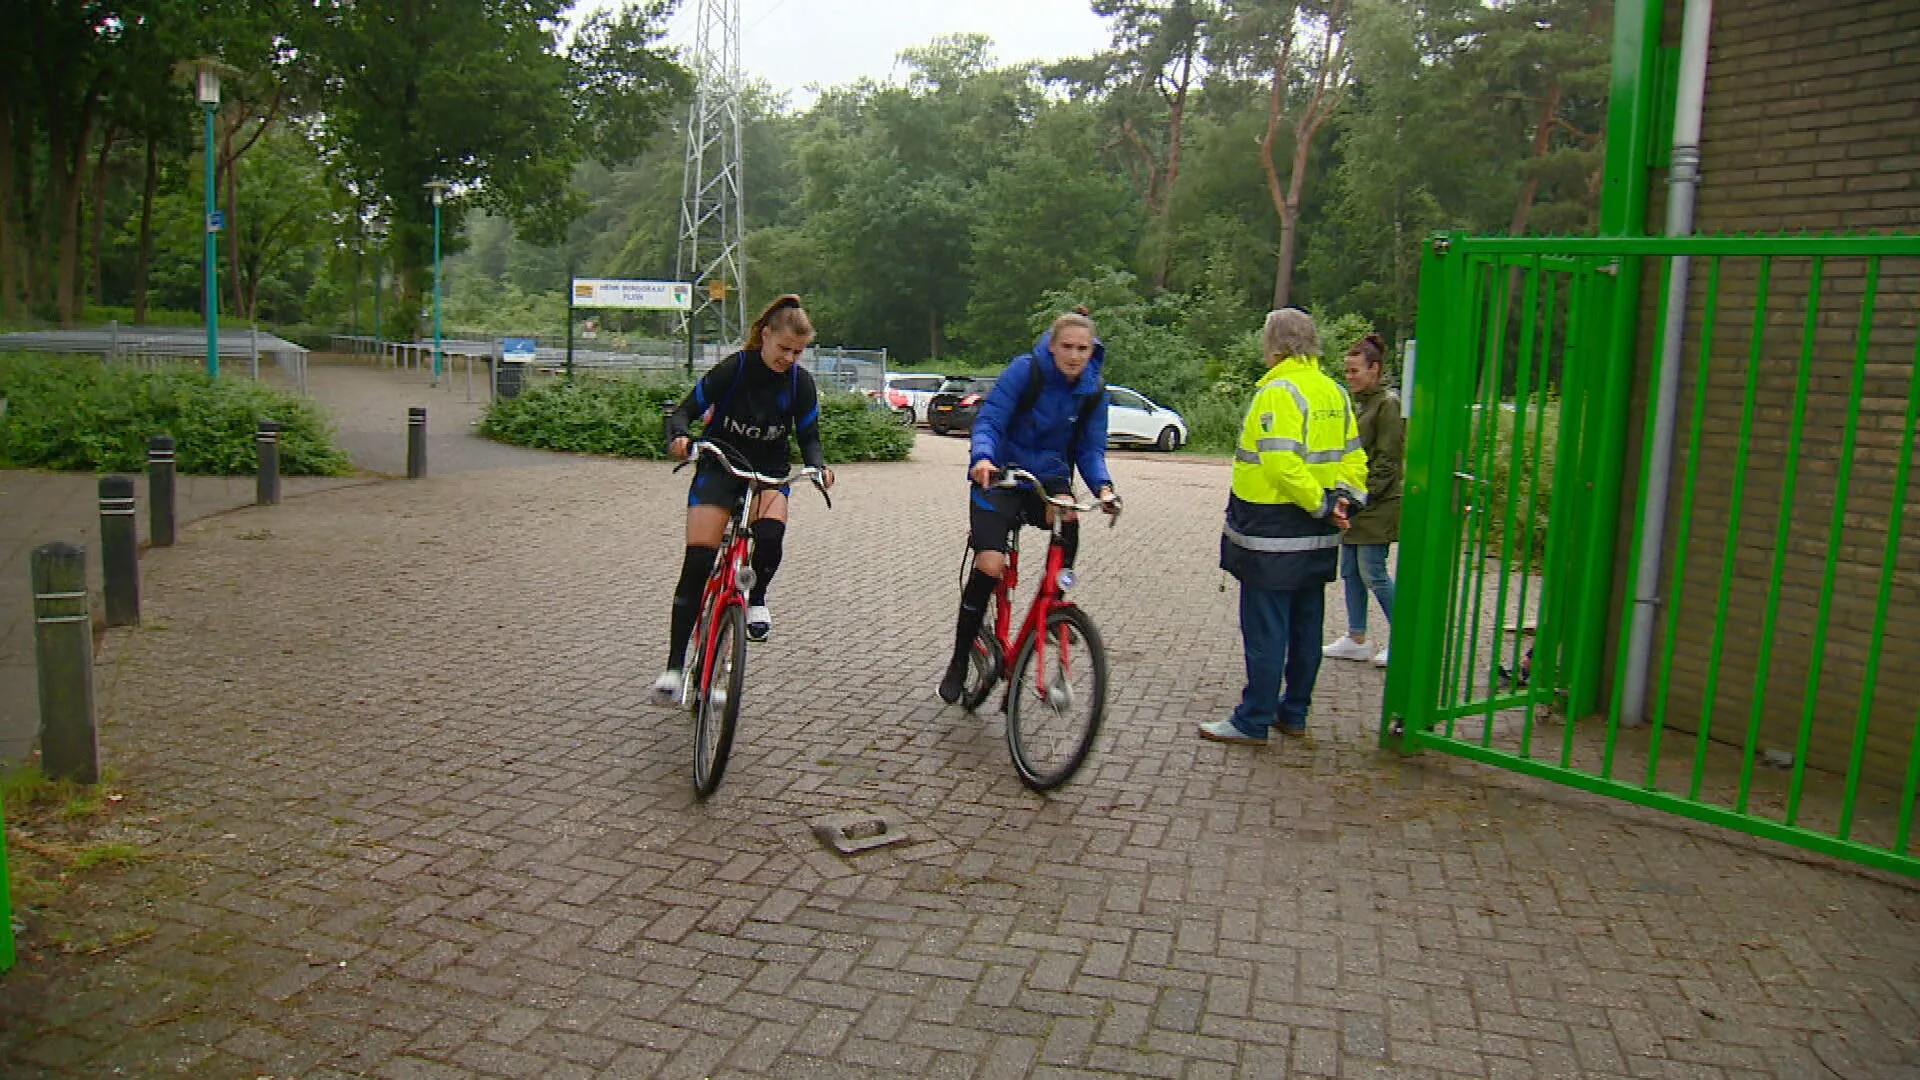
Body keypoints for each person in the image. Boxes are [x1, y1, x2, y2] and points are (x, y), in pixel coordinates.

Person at [653, 295, 835, 700]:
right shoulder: (734, 369)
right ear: (765, 336)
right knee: (699, 561)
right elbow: (683, 412)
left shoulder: (799, 384)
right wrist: (681, 438)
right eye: (783, 348)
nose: (788, 358)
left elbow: (809, 434)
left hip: (768, 471)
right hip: (721, 465)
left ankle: (757, 600)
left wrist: (819, 466)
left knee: (770, 535)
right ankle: (674, 667)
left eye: (797, 352)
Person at [1199, 308, 1368, 745]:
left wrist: (1318, 505)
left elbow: (1281, 463)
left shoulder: (1278, 391)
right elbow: (1353, 456)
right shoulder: (1333, 390)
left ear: (1273, 344)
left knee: (1266, 629)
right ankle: (1294, 712)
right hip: (1319, 531)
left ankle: (1252, 719)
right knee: (1306, 625)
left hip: (1273, 528)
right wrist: (1345, 501)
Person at [937, 309, 1119, 704]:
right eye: (1066, 347)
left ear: (1092, 351)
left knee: (1068, 511)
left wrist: (1104, 487)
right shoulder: (1027, 371)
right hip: (1000, 474)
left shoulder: (1093, 390)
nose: (1074, 356)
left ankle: (1056, 601)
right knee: (990, 564)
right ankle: (958, 659)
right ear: (1052, 346)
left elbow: (1090, 449)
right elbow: (991, 420)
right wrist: (982, 457)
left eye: (1082, 349)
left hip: (1047, 477)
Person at [1322, 332, 1403, 669]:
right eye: (1347, 371)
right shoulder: (1361, 403)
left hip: (1377, 502)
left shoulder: (1388, 404)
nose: (1350, 377)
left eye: (1355, 371)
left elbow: (1388, 458)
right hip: (1356, 501)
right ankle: (1357, 638)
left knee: (1373, 571)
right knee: (1351, 570)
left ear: (1375, 369)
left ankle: (1405, 638)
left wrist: (1363, 496)